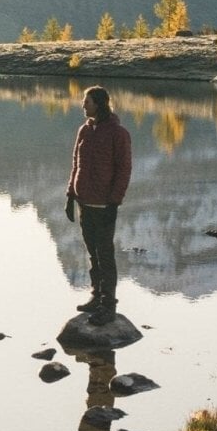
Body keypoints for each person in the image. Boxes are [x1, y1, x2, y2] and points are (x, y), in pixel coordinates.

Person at [64, 85, 132, 325]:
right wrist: (71, 195)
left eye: (87, 101)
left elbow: (124, 170)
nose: (83, 105)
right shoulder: (84, 130)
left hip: (104, 205)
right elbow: (76, 163)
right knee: (93, 253)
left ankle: (108, 306)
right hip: (84, 201)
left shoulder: (118, 133)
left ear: (100, 104)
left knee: (105, 255)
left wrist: (114, 202)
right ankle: (96, 296)